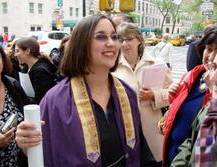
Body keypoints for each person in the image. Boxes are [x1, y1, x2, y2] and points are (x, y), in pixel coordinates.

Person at [15, 14, 142, 167]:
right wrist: (26, 142)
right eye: (101, 37)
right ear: (81, 45)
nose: (111, 43)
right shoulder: (55, 101)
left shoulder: (127, 93)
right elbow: (41, 152)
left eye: (115, 37)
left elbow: (140, 149)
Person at [113, 22, 173, 167]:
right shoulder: (112, 67)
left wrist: (154, 95)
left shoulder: (156, 64)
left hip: (152, 131)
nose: (125, 44)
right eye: (121, 39)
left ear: (139, 40)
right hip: (124, 133)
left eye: (129, 39)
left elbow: (174, 94)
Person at [160, 27, 217, 167]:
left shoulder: (216, 90)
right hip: (172, 154)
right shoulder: (192, 75)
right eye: (209, 49)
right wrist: (174, 99)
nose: (211, 57)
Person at [14, 37, 59, 104]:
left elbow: (41, 101)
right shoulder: (26, 68)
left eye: (17, 51)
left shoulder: (40, 72)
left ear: (27, 51)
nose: (15, 54)